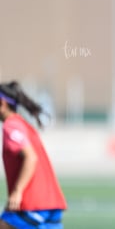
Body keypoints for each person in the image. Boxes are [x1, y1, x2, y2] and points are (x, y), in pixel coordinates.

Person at [0, 81, 67, 229]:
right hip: (51, 202)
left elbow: (30, 157)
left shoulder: (11, 126)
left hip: (33, 203)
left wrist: (17, 191)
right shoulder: (23, 124)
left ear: (2, 103)